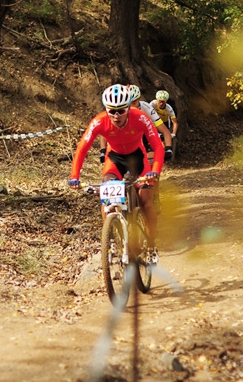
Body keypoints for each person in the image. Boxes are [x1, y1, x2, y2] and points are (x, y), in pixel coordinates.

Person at [69, 84, 164, 263]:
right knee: (107, 199)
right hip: (114, 159)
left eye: (121, 111)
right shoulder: (99, 121)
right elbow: (82, 148)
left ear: (128, 108)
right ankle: (111, 237)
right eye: (112, 111)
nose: (116, 116)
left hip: (138, 158)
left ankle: (151, 245)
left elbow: (158, 146)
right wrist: (74, 176)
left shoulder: (140, 117)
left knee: (145, 202)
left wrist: (155, 171)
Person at [98, 84, 172, 166]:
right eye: (128, 103)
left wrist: (168, 148)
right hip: (126, 137)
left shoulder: (146, 108)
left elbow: (164, 130)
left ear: (139, 99)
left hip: (144, 135)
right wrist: (103, 151)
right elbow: (105, 129)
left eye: (134, 102)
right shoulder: (119, 110)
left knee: (150, 160)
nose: (131, 106)